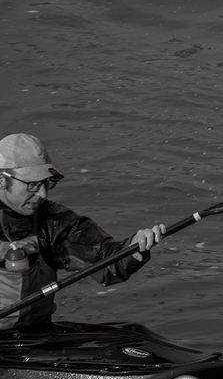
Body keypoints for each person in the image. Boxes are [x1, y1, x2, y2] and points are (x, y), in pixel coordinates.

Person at [0, 133, 165, 330]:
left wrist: (134, 248)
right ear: (2, 180)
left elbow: (107, 262)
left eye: (47, 183)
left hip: (34, 336)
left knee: (135, 335)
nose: (42, 193)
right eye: (33, 185)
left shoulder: (53, 221)